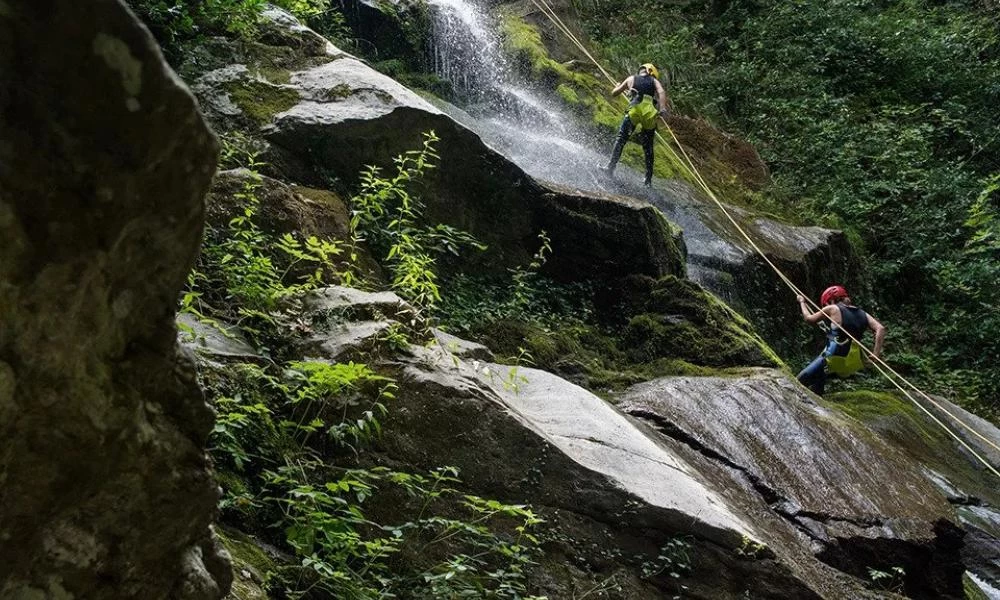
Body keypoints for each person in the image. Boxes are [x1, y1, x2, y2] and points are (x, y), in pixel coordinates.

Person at [796, 285, 886, 396]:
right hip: (851, 361)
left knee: (799, 381)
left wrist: (802, 302)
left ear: (832, 300)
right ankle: (818, 398)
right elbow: (880, 328)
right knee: (819, 378)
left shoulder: (832, 308)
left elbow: (809, 319)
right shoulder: (863, 314)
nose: (826, 306)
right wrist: (875, 353)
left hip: (832, 356)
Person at [604, 63, 670, 186]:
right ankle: (648, 180)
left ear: (641, 70)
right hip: (649, 113)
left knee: (621, 139)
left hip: (634, 110)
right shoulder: (654, 81)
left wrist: (618, 86)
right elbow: (661, 92)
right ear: (651, 72)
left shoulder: (631, 78)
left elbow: (614, 93)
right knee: (648, 146)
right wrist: (662, 109)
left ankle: (610, 167)